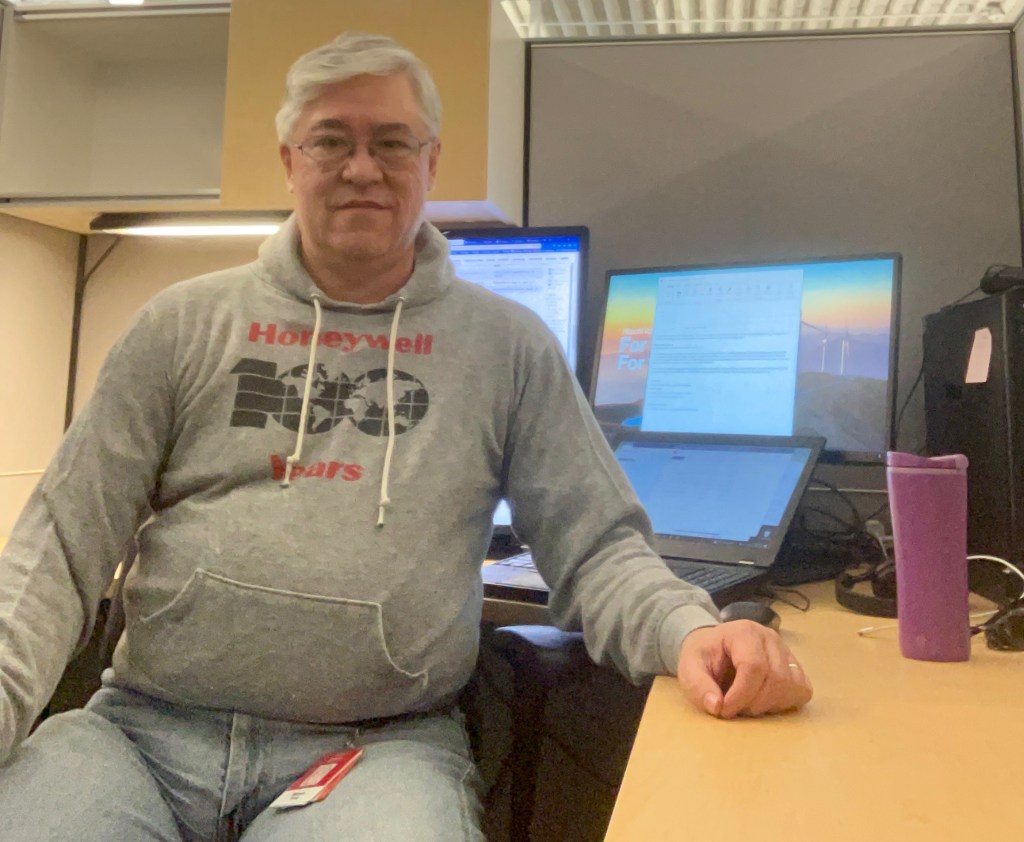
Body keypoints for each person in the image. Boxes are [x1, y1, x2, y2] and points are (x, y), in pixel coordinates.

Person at [0, 31, 811, 841]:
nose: (361, 167)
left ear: (431, 163)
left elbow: (595, 547)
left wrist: (692, 629)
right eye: (330, 140)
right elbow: (60, 547)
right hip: (142, 734)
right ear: (290, 160)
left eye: (392, 142)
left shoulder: (508, 347)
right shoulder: (180, 324)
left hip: (373, 753)